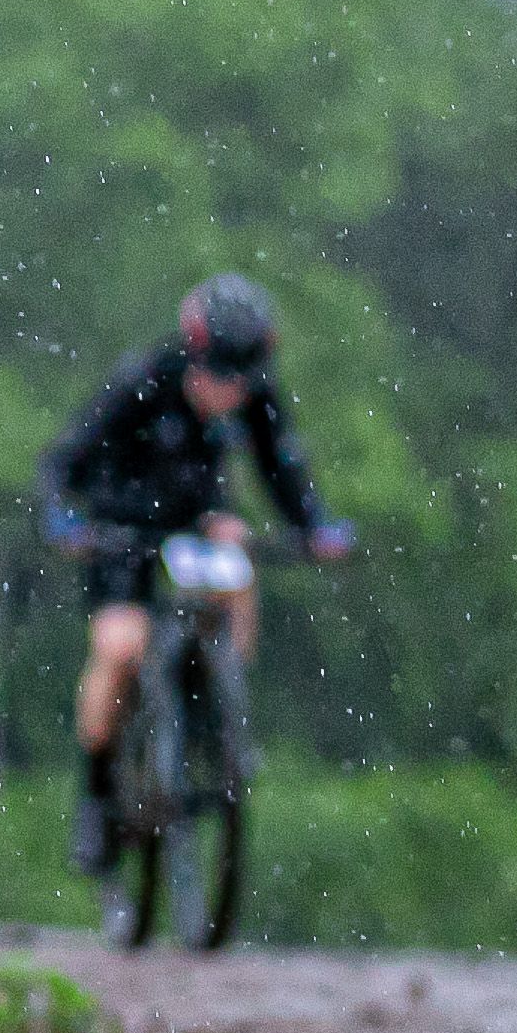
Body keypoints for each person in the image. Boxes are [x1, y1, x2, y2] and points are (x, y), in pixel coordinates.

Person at [36, 275, 357, 873]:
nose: (228, 393)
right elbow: (63, 460)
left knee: (237, 574)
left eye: (240, 381)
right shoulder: (142, 381)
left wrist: (314, 525)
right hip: (122, 531)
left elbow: (281, 466)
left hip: (196, 526)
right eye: (217, 377)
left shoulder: (256, 394)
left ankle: (220, 708)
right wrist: (63, 520)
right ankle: (97, 793)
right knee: (120, 647)